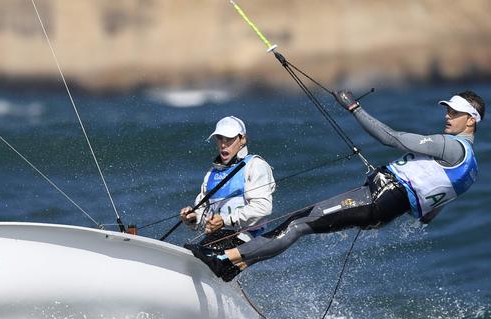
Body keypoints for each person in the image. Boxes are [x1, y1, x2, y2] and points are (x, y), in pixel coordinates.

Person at [190, 90, 484, 281]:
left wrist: (354, 108)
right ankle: (234, 266)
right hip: (384, 207)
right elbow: (428, 213)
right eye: (447, 110)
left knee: (299, 224)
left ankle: (221, 259)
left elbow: (391, 138)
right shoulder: (469, 170)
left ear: (471, 120)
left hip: (377, 199)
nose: (447, 116)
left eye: (454, 113)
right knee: (299, 222)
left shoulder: (451, 147)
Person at [179, 116, 276, 251]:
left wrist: (225, 220)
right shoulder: (211, 173)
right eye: (219, 138)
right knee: (191, 251)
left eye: (229, 139)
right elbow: (204, 216)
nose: (223, 144)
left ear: (242, 139)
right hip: (217, 238)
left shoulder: (255, 165)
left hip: (246, 238)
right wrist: (193, 218)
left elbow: (263, 208)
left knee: (198, 253)